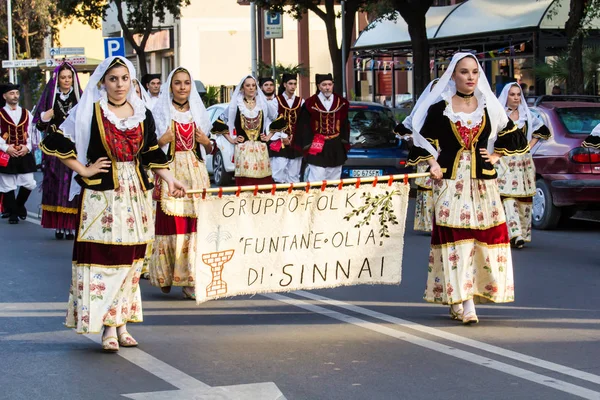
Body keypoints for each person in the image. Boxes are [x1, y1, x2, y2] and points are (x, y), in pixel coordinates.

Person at [39, 56, 186, 352]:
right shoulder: (89, 112)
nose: (119, 85)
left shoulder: (142, 113)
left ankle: (122, 323)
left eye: (124, 79)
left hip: (135, 194)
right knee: (104, 257)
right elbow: (57, 141)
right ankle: (107, 325)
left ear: (132, 82)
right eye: (113, 79)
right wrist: (84, 170)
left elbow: (151, 153)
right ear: (103, 82)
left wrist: (170, 179)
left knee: (131, 259)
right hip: (101, 194)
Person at [408, 52, 518, 325]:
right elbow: (419, 139)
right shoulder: (440, 107)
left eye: (474, 72)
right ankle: (463, 301)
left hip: (483, 184)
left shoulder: (488, 107)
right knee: (456, 239)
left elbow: (512, 134)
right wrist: (433, 162)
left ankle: (468, 296)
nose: (470, 77)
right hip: (451, 182)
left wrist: (495, 157)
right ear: (453, 76)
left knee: (483, 241)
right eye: (464, 72)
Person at [149, 67, 212, 300]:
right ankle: (166, 274)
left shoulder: (199, 112)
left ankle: (190, 278)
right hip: (171, 172)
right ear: (170, 86)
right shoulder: (160, 112)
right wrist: (161, 140)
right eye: (178, 83)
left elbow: (209, 148)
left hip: (195, 172)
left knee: (193, 226)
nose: (183, 87)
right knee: (171, 224)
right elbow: (149, 148)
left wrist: (206, 141)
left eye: (186, 83)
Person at [496, 82, 551, 249]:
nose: (515, 98)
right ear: (506, 96)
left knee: (523, 198)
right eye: (512, 94)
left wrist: (529, 147)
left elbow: (541, 130)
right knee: (507, 196)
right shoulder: (498, 115)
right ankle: (514, 233)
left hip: (524, 162)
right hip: (504, 161)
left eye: (518, 94)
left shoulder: (527, 115)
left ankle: (522, 233)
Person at [34, 63, 82, 239]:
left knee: (72, 183)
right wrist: (45, 116)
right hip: (54, 150)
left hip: (74, 148)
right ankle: (59, 226)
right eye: (63, 77)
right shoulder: (51, 99)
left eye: (69, 77)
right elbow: (39, 125)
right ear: (58, 80)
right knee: (56, 184)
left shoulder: (79, 99)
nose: (67, 80)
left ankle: (71, 225)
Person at [218, 75, 281, 186]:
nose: (251, 88)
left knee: (262, 185)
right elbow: (219, 123)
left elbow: (279, 120)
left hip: (260, 149)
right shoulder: (235, 105)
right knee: (246, 184)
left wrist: (268, 136)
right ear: (242, 88)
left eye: (253, 85)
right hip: (242, 150)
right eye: (248, 85)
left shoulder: (263, 104)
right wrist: (232, 140)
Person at [297, 73, 350, 181]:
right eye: (324, 84)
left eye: (329, 84)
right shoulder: (310, 103)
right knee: (317, 176)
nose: (327, 87)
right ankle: (315, 197)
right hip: (317, 142)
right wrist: (308, 144)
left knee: (334, 176)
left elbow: (345, 124)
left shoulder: (341, 102)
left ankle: (333, 197)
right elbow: (304, 125)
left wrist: (344, 142)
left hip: (335, 143)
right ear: (318, 86)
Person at [402, 78, 439, 233]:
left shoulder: (450, 107)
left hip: (442, 150)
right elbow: (408, 125)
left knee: (440, 185)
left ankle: (440, 220)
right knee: (426, 187)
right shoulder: (422, 108)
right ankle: (428, 223)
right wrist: (411, 137)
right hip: (425, 150)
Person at [0, 83, 37, 225]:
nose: (15, 96)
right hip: (7, 153)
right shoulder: (0, 113)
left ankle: (18, 205)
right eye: (11, 93)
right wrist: (5, 148)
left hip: (23, 152)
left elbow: (33, 132)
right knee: (7, 184)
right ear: (5, 96)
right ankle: (13, 214)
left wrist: (27, 147)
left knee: (29, 183)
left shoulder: (27, 113)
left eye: (16, 93)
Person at [270, 73, 304, 183]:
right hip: (280, 140)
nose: (293, 86)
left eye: (295, 84)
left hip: (295, 140)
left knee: (294, 173)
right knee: (279, 171)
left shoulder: (301, 101)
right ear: (285, 85)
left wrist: (296, 135)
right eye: (290, 84)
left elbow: (303, 121)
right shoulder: (276, 101)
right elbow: (273, 120)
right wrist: (282, 135)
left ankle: (293, 196)